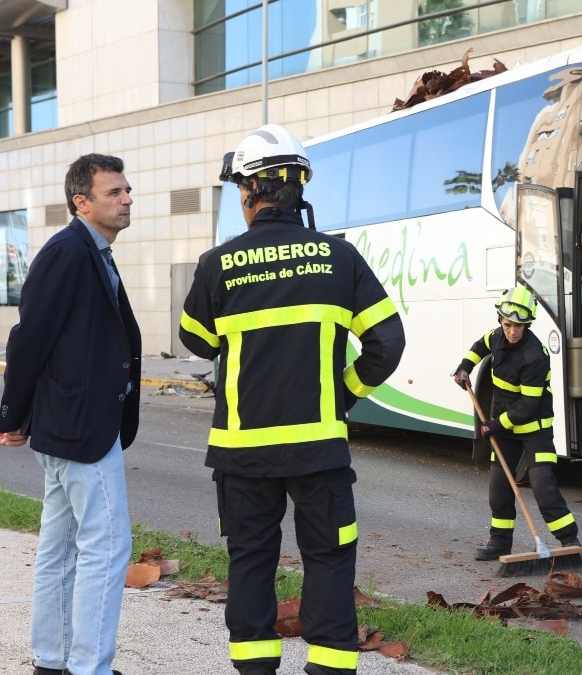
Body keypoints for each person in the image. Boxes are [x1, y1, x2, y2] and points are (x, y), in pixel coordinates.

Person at [179, 124, 405, 675]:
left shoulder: (217, 265)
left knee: (251, 562)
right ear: (298, 187)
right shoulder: (340, 258)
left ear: (252, 190)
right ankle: (329, 668)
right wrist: (341, 397)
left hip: (243, 453)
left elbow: (196, 340)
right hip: (319, 450)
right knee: (328, 562)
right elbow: (388, 342)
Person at [0, 153, 141, 675]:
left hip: (71, 428)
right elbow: (29, 338)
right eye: (113, 192)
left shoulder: (91, 250)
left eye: (126, 190)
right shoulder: (69, 252)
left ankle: (53, 662)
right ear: (82, 201)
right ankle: (89, 668)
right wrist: (13, 416)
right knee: (106, 548)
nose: (126, 199)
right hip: (82, 432)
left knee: (63, 550)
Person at [452, 285, 580, 561]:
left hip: (535, 429)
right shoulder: (497, 337)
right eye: (508, 324)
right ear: (501, 320)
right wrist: (465, 367)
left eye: (518, 326)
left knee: (542, 486)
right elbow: (479, 346)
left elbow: (527, 407)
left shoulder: (535, 356)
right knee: (499, 487)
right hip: (505, 427)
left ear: (527, 324)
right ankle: (499, 543)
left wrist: (494, 426)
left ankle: (570, 542)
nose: (512, 331)